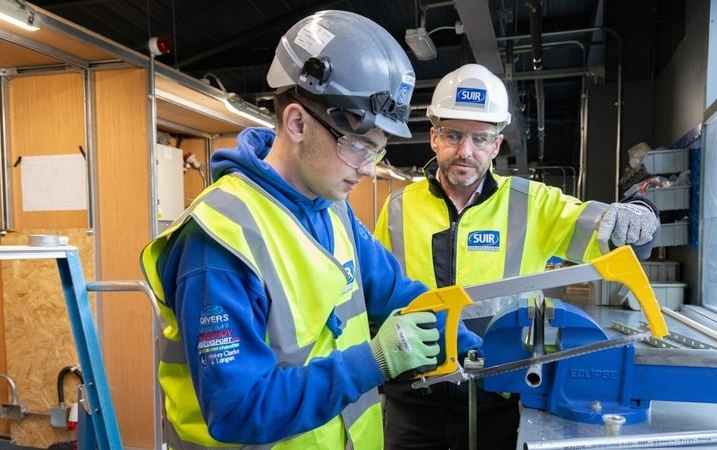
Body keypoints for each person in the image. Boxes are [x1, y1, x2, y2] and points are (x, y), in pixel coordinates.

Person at [139, 11, 481, 450]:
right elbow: (238, 410)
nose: (368, 170)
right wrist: (373, 362)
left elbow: (398, 294)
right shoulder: (219, 244)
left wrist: (473, 346)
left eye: (376, 152)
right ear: (298, 123)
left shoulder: (332, 210)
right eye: (358, 146)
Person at [374, 63, 661, 450]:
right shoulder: (396, 206)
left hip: (500, 397)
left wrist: (641, 213)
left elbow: (612, 237)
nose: (465, 151)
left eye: (480, 138)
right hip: (412, 400)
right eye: (453, 135)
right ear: (433, 137)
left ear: (496, 144)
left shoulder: (533, 204)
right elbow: (374, 298)